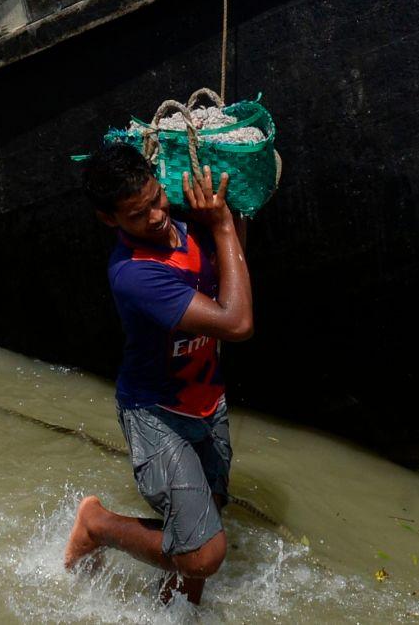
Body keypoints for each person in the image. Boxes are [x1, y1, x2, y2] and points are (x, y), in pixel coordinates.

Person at [65, 142, 251, 604]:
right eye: (136, 214)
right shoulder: (133, 273)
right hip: (156, 411)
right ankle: (97, 525)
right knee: (204, 553)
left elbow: (234, 273)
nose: (154, 217)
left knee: (205, 522)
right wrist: (225, 224)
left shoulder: (189, 226)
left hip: (206, 398)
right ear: (109, 220)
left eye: (155, 199)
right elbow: (237, 323)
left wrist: (227, 217)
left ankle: (175, 609)